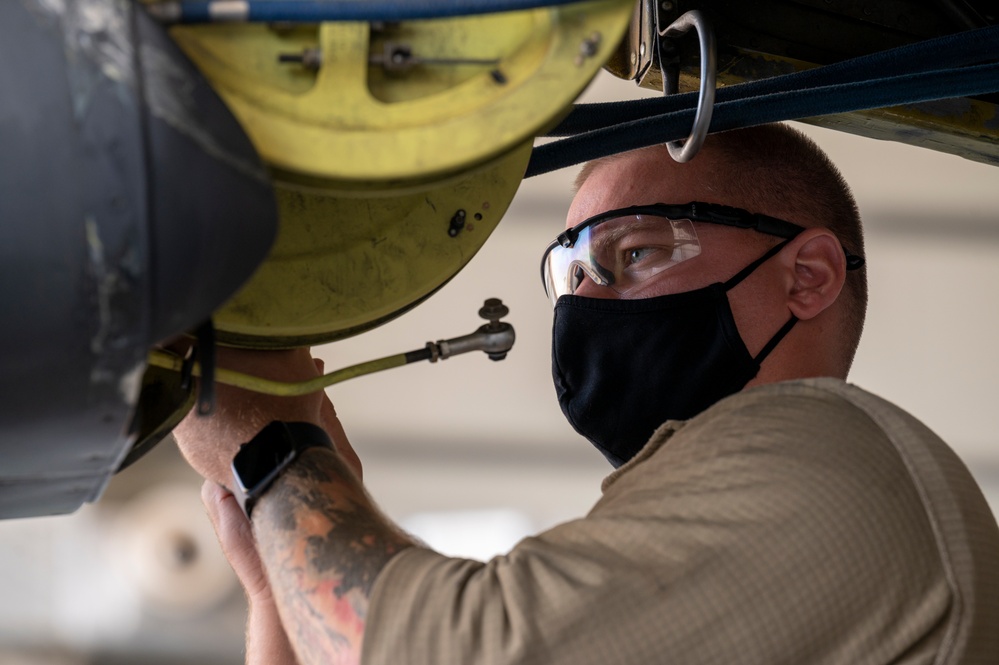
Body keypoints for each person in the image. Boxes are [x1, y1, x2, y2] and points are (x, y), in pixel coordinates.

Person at [174, 124, 999, 665]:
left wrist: (276, 449)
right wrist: (271, 577)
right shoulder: (711, 526)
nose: (585, 304)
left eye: (635, 254)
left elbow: (455, 651)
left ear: (806, 276)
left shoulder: (827, 452)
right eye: (570, 274)